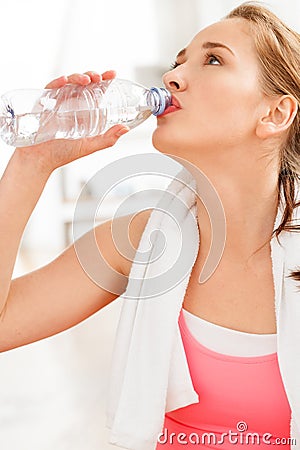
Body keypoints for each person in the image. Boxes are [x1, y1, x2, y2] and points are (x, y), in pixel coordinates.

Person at [0, 2, 299, 448]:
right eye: (177, 61)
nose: (171, 78)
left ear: (275, 114)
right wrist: (32, 162)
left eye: (213, 59)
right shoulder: (140, 241)